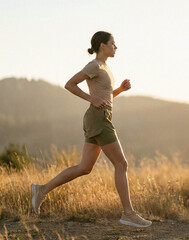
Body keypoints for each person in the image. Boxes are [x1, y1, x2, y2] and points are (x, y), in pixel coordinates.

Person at [30, 31, 152, 228]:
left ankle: (42, 190)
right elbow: (70, 84)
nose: (116, 47)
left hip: (99, 118)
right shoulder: (94, 65)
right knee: (122, 164)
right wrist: (91, 99)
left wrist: (119, 90)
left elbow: (104, 96)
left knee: (85, 168)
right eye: (113, 43)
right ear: (102, 45)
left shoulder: (105, 67)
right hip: (99, 120)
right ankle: (128, 214)